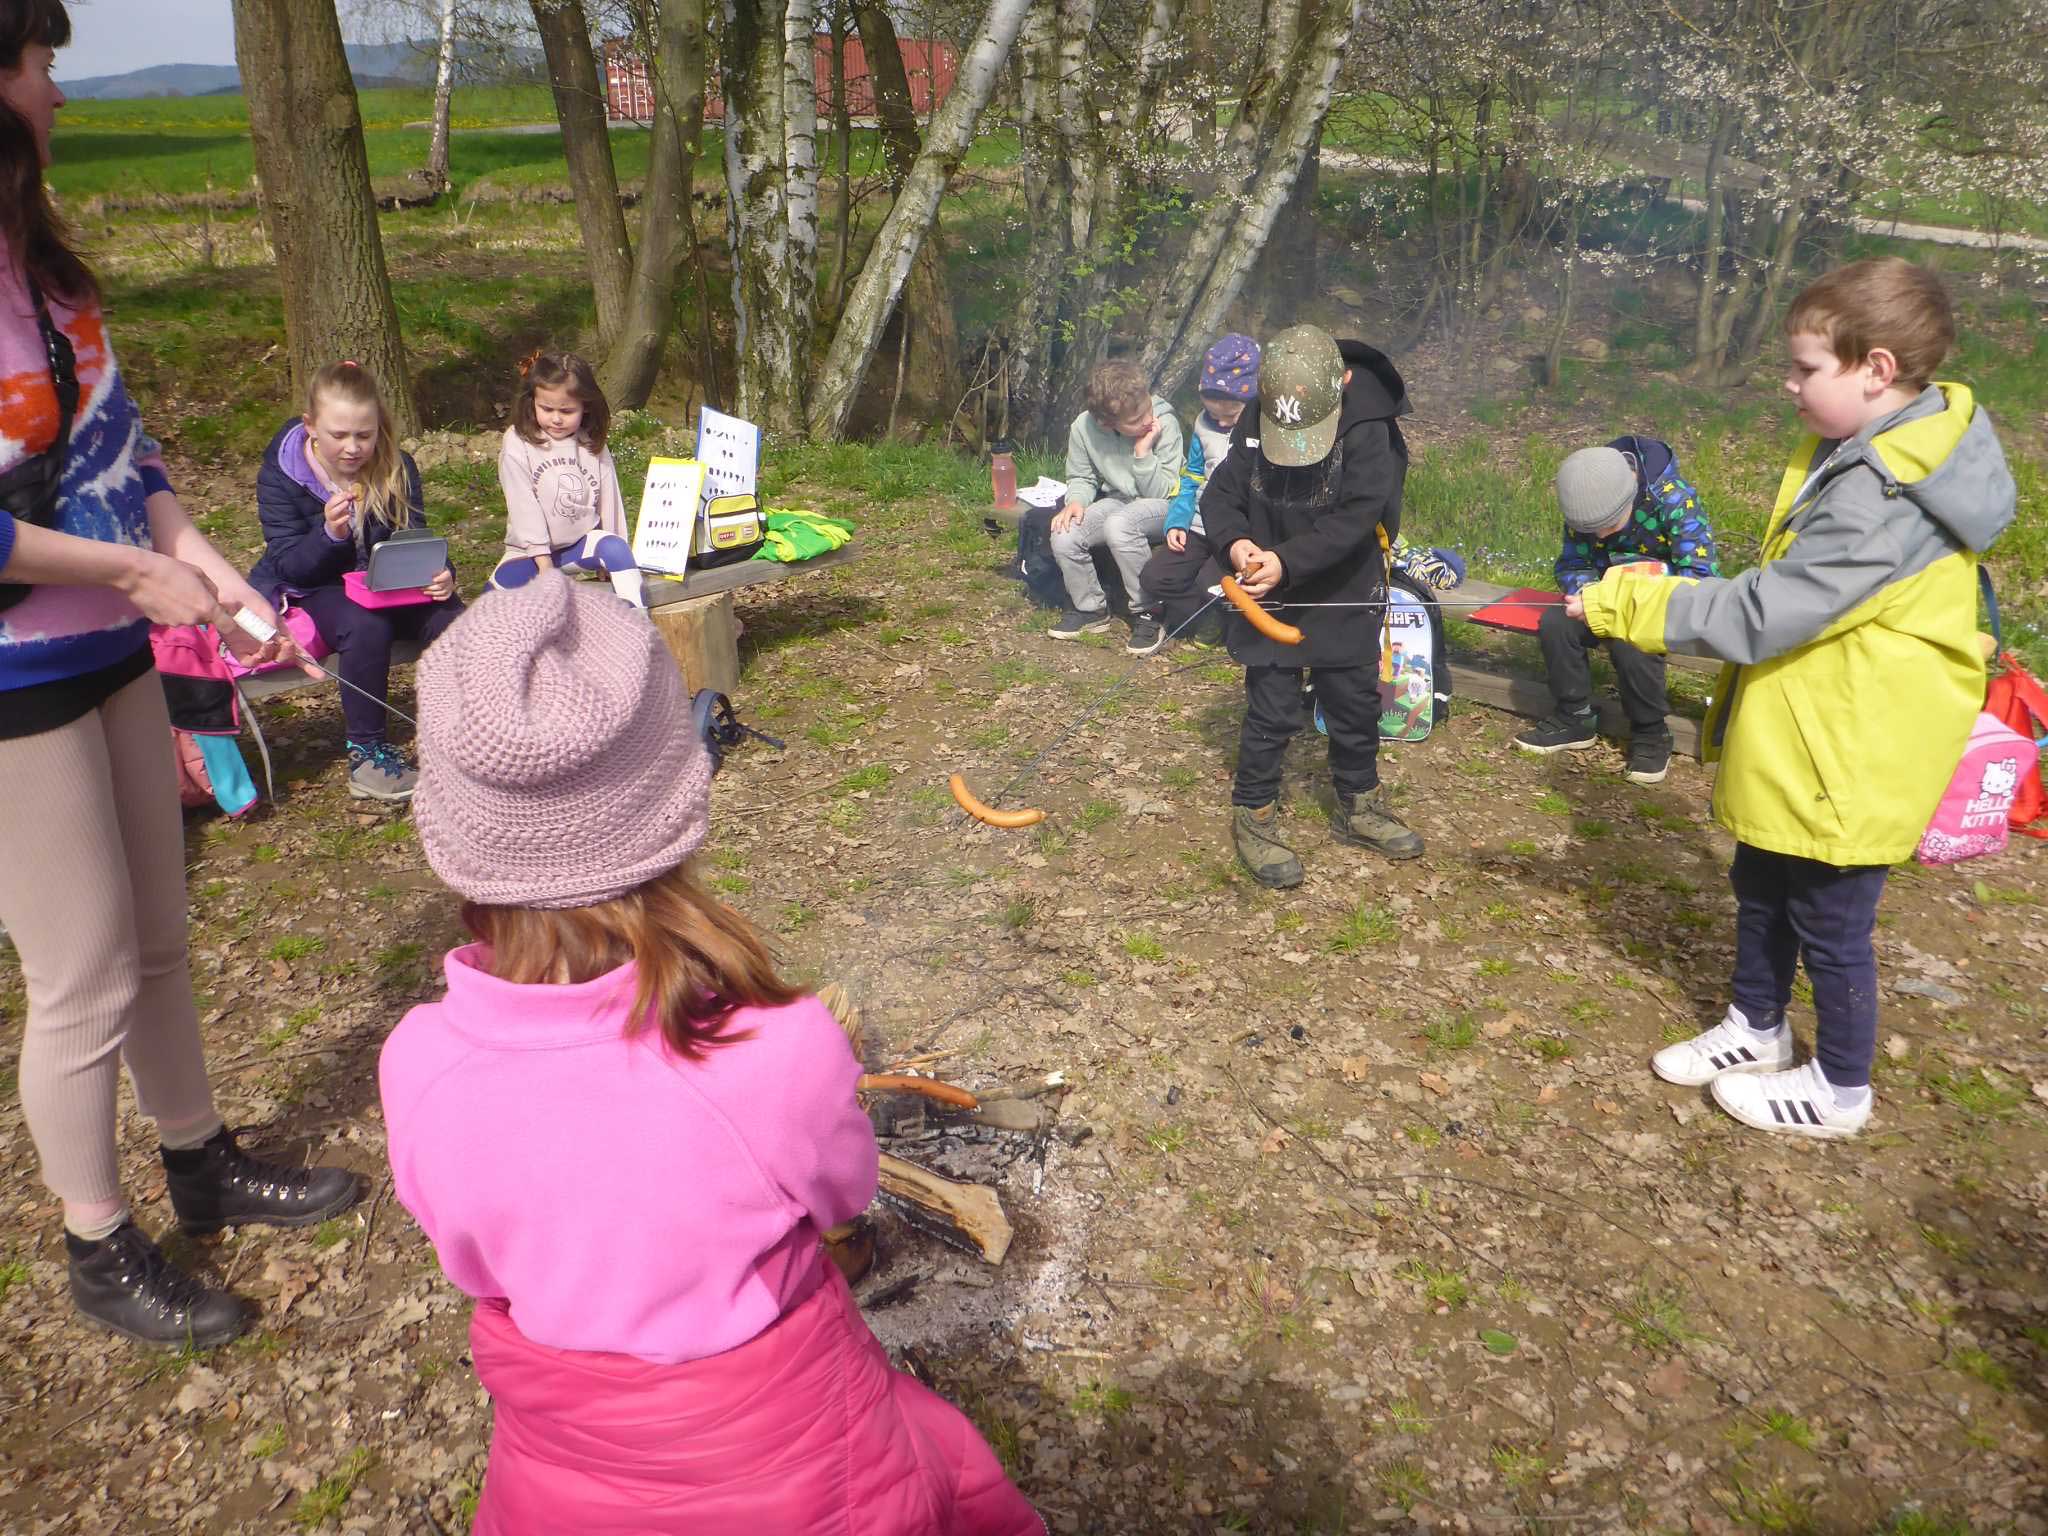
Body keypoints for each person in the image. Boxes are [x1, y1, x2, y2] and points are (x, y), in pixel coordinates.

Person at [379, 572, 1042, 1534]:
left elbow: (476, 1265)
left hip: (559, 1481)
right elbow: (847, 1194)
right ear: (678, 796)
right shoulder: (773, 1048)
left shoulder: (417, 1064)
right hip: (800, 1474)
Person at [0, 0, 360, 1349]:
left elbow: (126, 467)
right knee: (82, 975)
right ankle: (100, 1245)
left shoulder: (54, 277)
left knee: (157, 938)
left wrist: (211, 571)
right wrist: (132, 581)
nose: (57, 91)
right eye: (37, 65)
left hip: (109, 651)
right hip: (13, 684)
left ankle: (201, 1165)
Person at [1576, 257, 2016, 1139]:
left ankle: (1841, 1091)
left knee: (1831, 922)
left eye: (1807, 367)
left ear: (1877, 369)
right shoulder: (1868, 449)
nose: (1789, 384)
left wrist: (1628, 598)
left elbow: (1766, 612)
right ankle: (1757, 1027)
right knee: (1763, 881)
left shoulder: (1883, 495)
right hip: (1817, 728)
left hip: (1852, 749)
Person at [1200, 324, 1425, 888]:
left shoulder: (1371, 431)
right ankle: (1253, 813)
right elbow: (1222, 493)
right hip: (1269, 596)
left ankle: (1361, 803)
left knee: (1352, 706)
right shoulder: (1259, 416)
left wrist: (1290, 561)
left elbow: (1357, 519)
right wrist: (1235, 543)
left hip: (1342, 590)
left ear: (1343, 381)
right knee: (1271, 709)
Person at [249, 361, 463, 802]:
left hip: (386, 582)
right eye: (339, 435)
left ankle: (463, 733)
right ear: (310, 426)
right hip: (316, 588)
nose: (352, 448)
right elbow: (291, 566)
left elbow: (414, 538)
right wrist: (330, 535)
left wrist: (443, 574)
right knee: (366, 625)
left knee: (450, 618)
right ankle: (367, 754)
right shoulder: (283, 475)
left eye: (364, 436)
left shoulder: (396, 466)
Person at [1514, 435, 1718, 785]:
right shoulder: (1585, 500)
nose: (1601, 535)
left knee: (1631, 645)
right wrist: (1586, 593)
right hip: (1601, 596)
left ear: (1633, 494)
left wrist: (1642, 598)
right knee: (1556, 624)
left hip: (1661, 604)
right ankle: (1574, 716)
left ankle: (1651, 732)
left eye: (1610, 526)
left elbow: (1700, 576)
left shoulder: (1674, 501)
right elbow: (1571, 563)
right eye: (1591, 531)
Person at [490, 348, 645, 608]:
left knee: (616, 550)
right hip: (530, 554)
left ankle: (640, 632)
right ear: (532, 402)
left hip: (578, 546)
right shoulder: (517, 441)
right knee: (491, 610)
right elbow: (523, 506)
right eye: (547, 408)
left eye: (567, 410)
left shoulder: (591, 442)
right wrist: (543, 563)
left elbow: (610, 500)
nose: (557, 419)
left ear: (585, 406)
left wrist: (612, 552)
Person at [1048, 357, 1183, 653]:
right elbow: (1082, 476)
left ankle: (1149, 610)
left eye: (1147, 409)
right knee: (1064, 531)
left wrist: (1143, 453)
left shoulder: (1164, 422)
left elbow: (1165, 489)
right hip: (1119, 500)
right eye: (1135, 421)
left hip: (1167, 504)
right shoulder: (1084, 429)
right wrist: (1076, 501)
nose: (1147, 420)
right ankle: (1091, 609)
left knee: (1119, 524)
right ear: (1106, 424)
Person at [1137, 334, 1259, 645]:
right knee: (1154, 576)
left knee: (1211, 583)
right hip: (1199, 525)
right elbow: (1191, 477)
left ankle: (1218, 617)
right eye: (1213, 411)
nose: (1220, 420)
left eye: (1230, 415)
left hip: (1237, 530)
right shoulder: (1203, 425)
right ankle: (1208, 615)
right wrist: (1177, 521)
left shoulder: (1261, 430)